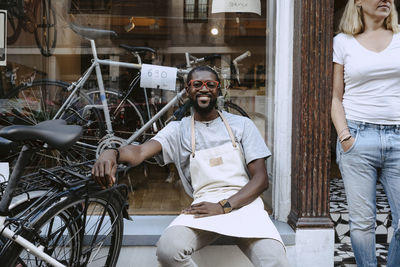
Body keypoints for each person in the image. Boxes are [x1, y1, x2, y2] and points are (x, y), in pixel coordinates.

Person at [92, 66, 289, 267]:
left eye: (210, 84)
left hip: (244, 204)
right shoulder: (178, 130)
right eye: (197, 84)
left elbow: (261, 180)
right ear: (188, 90)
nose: (204, 89)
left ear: (218, 90)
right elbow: (140, 152)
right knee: (169, 250)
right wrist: (112, 152)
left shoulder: (242, 125)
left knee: (275, 262)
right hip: (204, 206)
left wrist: (224, 206)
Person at [332, 0, 400, 266]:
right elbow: (336, 98)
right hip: (358, 137)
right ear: (358, 2)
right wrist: (345, 136)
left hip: (398, 135)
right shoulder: (343, 42)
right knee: (362, 223)